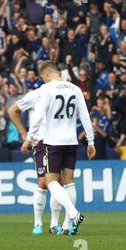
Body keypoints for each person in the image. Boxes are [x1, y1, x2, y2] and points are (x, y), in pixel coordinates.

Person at [21, 61, 96, 235]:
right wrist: (90, 141)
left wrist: (29, 139)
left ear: (47, 74)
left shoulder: (47, 89)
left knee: (51, 182)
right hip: (71, 141)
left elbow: (38, 117)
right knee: (69, 182)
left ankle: (74, 214)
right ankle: (68, 226)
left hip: (52, 142)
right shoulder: (75, 89)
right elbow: (85, 116)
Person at [9, 78, 64, 235]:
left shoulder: (59, 94)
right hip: (41, 143)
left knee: (58, 182)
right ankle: (38, 223)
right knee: (43, 182)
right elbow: (12, 111)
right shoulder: (36, 95)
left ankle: (54, 224)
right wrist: (24, 135)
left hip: (58, 142)